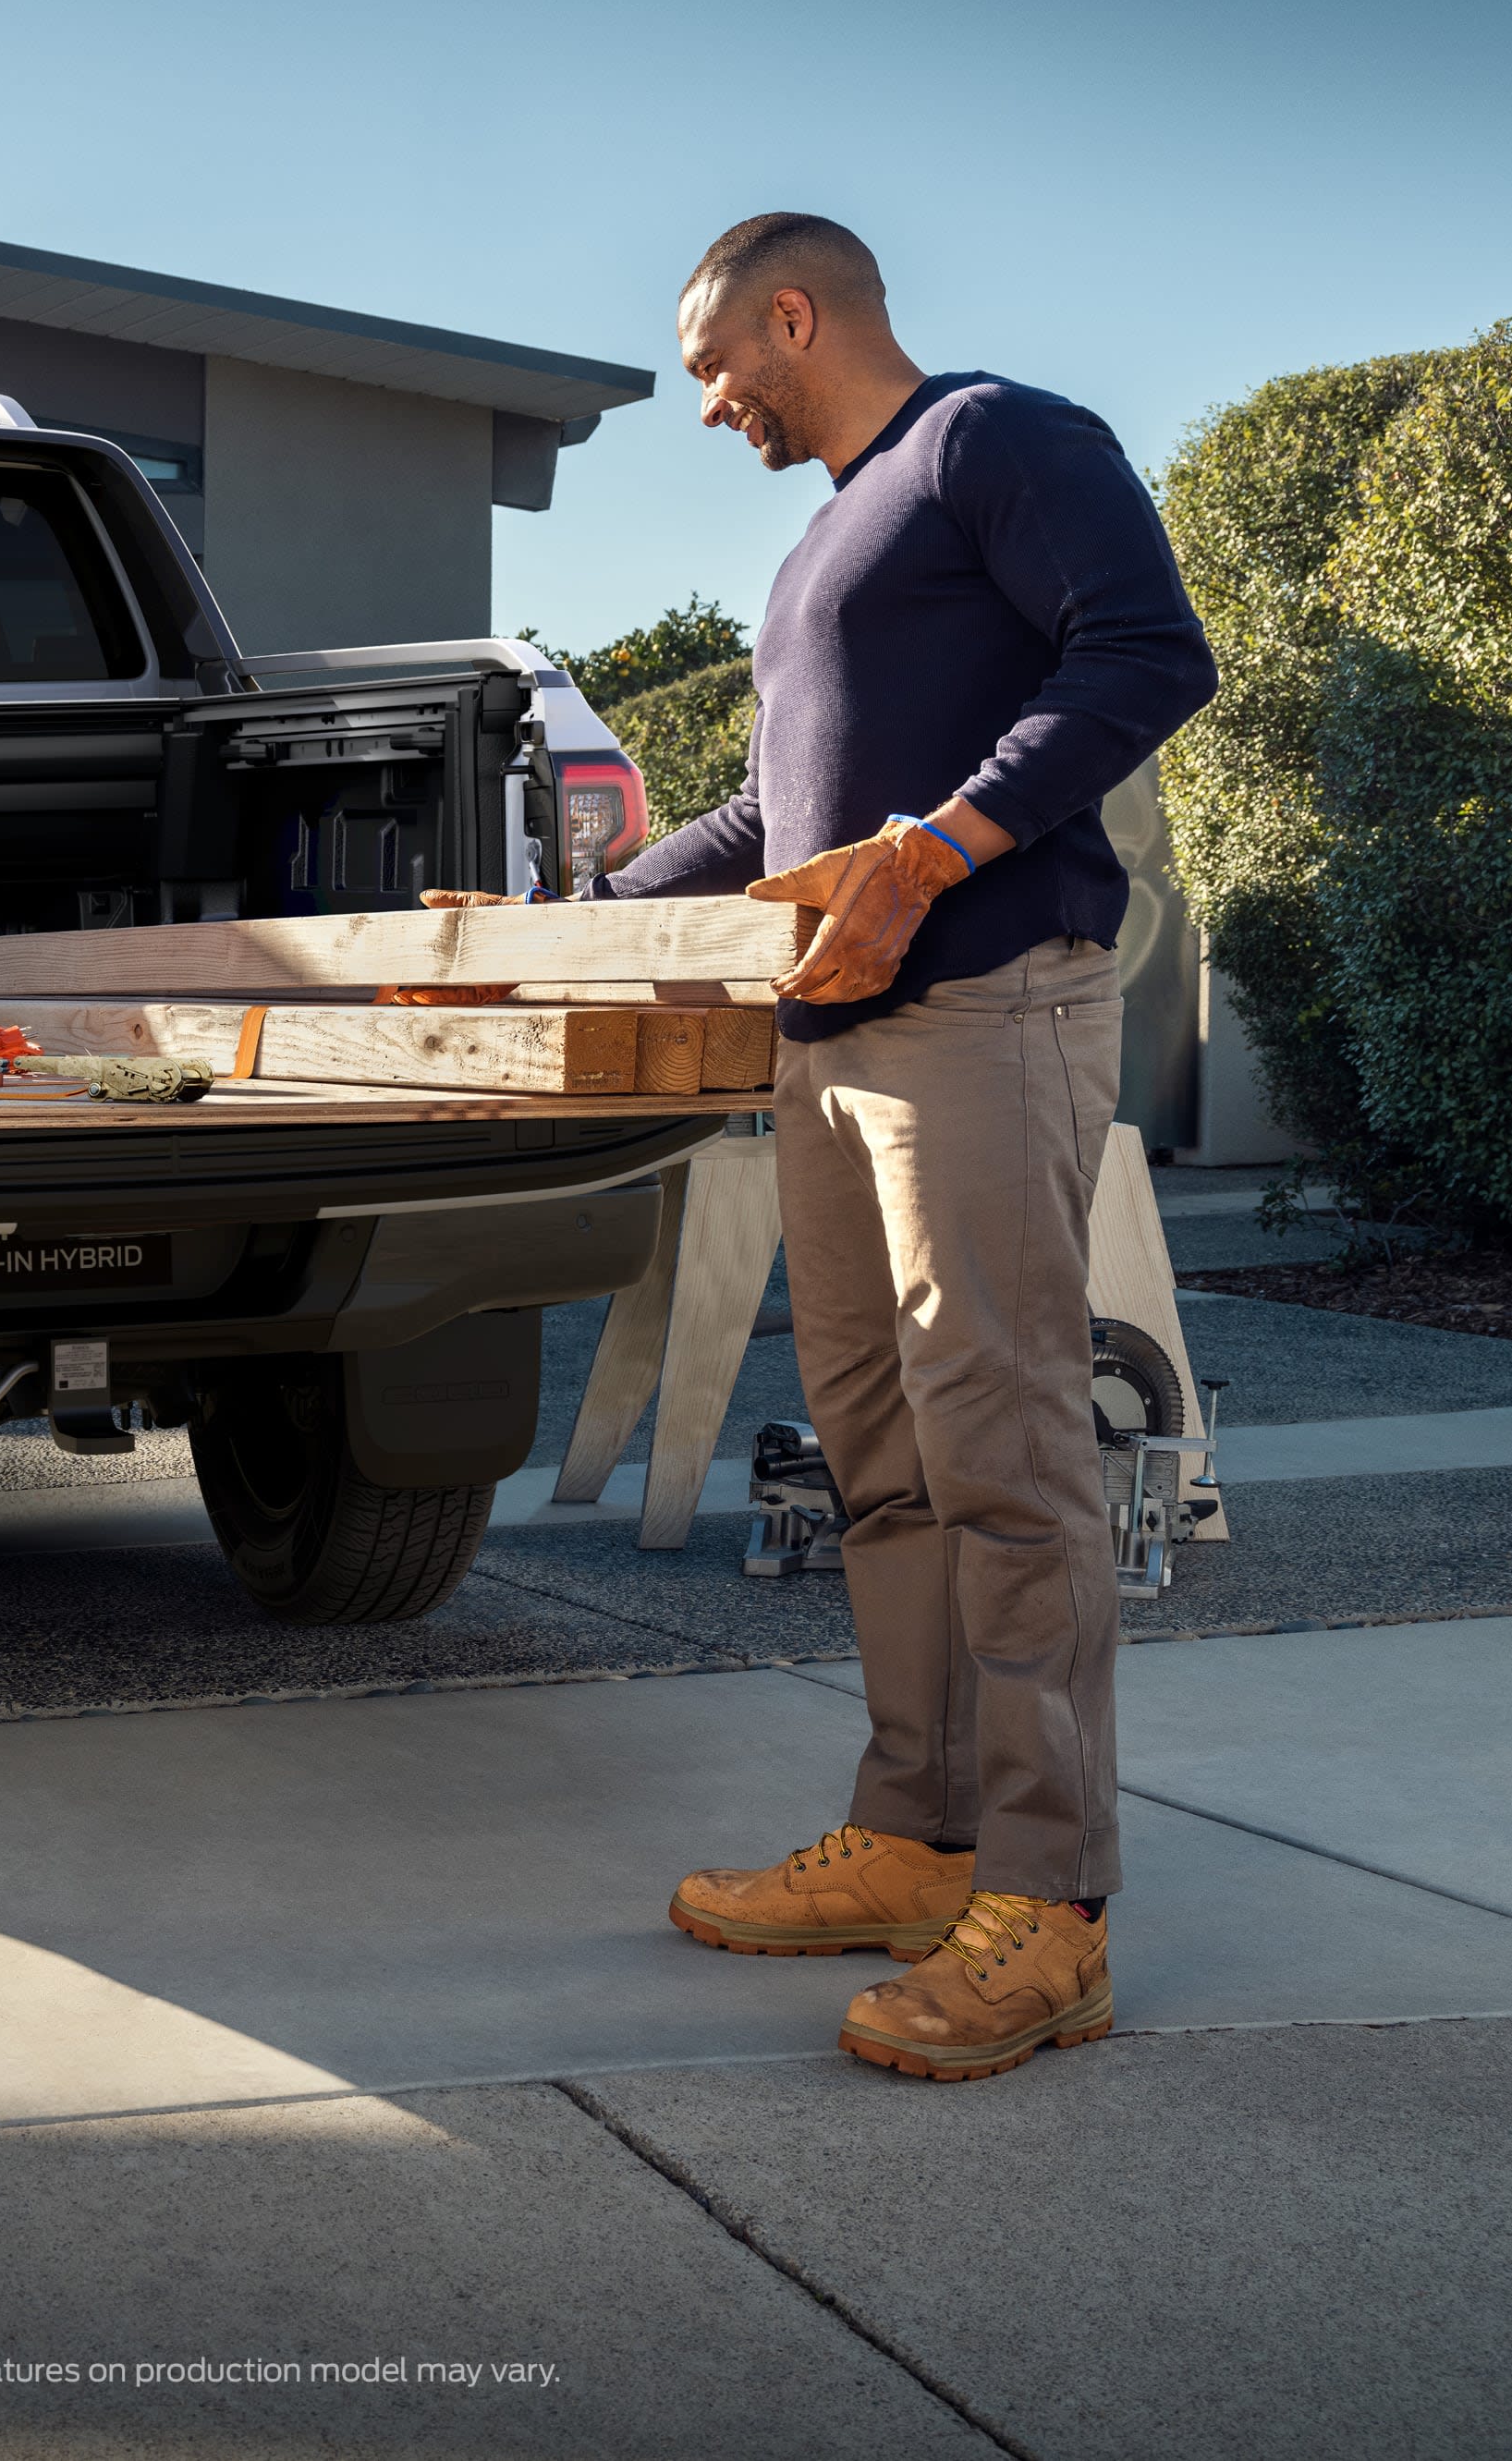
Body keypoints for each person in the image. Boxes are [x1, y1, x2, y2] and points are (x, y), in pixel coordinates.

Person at [541, 215, 1215, 2077]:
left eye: (709, 366)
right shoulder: (816, 543)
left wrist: (931, 850)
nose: (704, 404)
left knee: (1000, 1450)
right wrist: (582, 919)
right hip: (823, 1041)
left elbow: (1147, 654)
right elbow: (770, 813)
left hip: (983, 1005)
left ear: (790, 311)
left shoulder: (994, 441)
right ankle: (917, 1840)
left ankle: (1049, 1905)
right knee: (882, 1454)